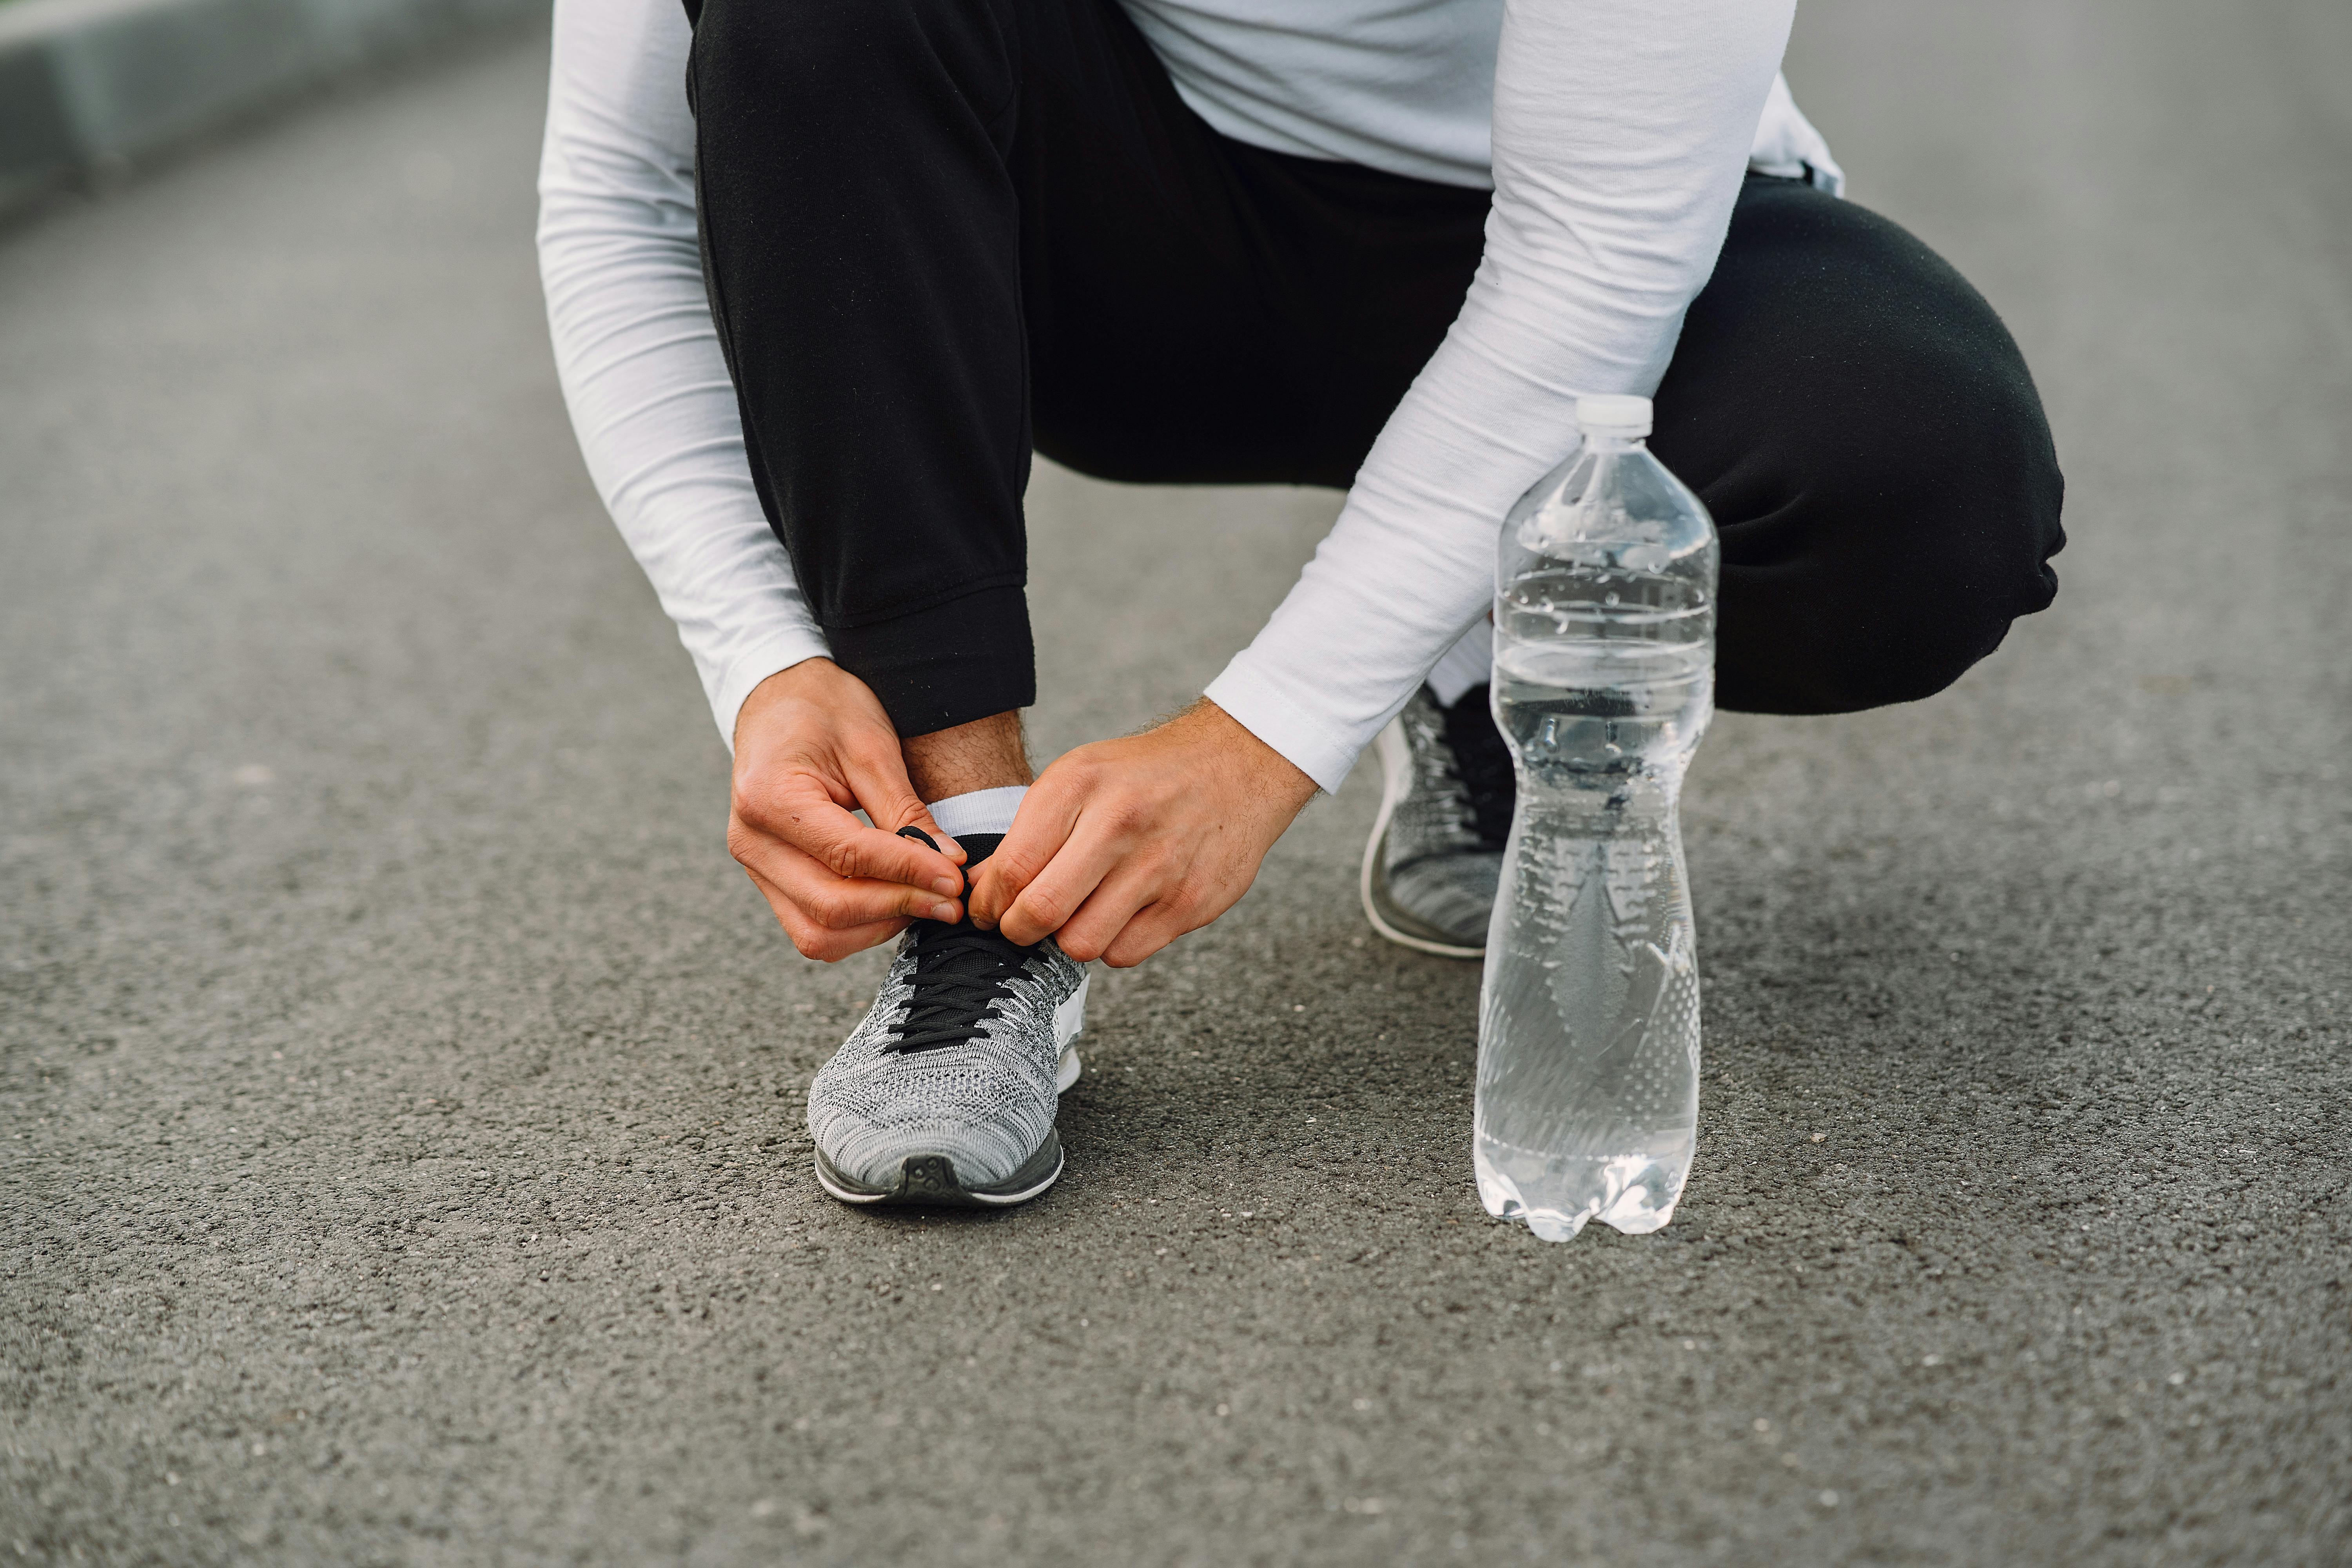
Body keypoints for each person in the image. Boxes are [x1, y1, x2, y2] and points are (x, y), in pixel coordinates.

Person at [537, 0, 2064, 1207]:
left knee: (1925, 478)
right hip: (1133, 240)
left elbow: (1604, 244)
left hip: (1585, 256)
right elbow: (619, 188)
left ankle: (1468, 652)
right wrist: (767, 659)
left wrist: (1262, 737)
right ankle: (973, 880)